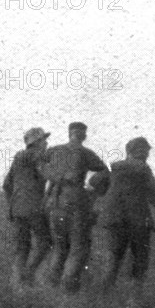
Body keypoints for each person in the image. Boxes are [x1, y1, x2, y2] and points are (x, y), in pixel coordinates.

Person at [98, 137, 155, 297]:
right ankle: (135, 300)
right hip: (138, 222)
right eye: (145, 151)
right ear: (142, 153)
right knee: (140, 262)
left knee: (113, 261)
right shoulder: (143, 168)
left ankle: (103, 298)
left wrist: (108, 192)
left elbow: (94, 181)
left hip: (114, 221)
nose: (146, 155)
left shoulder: (114, 166)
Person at [42, 122, 109, 293]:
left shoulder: (54, 151)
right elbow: (104, 173)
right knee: (78, 247)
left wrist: (56, 177)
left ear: (69, 133)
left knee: (59, 246)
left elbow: (40, 165)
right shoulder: (86, 153)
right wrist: (93, 190)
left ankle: (51, 287)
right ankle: (68, 288)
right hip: (77, 202)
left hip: (55, 203)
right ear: (84, 135)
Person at [3, 127, 52, 287]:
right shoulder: (37, 155)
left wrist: (12, 204)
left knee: (22, 248)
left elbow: (6, 185)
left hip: (17, 209)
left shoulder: (18, 157)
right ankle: (28, 273)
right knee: (45, 242)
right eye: (44, 139)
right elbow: (47, 174)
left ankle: (16, 284)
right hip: (34, 208)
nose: (46, 142)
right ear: (37, 142)